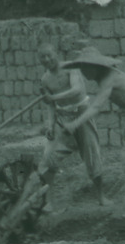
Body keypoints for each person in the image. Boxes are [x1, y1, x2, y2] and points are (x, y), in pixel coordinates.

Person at [61, 47, 125, 209]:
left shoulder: (110, 78)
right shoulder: (105, 77)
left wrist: (75, 123)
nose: (83, 72)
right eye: (81, 68)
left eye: (86, 68)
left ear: (95, 66)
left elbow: (96, 107)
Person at [31, 43, 107, 206]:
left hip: (82, 115)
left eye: (49, 55)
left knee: (91, 156)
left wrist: (53, 98)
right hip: (63, 118)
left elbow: (77, 90)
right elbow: (51, 106)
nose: (47, 59)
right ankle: (49, 201)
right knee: (48, 158)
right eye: (42, 57)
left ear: (56, 54)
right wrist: (50, 125)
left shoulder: (71, 68)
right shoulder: (45, 79)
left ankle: (101, 196)